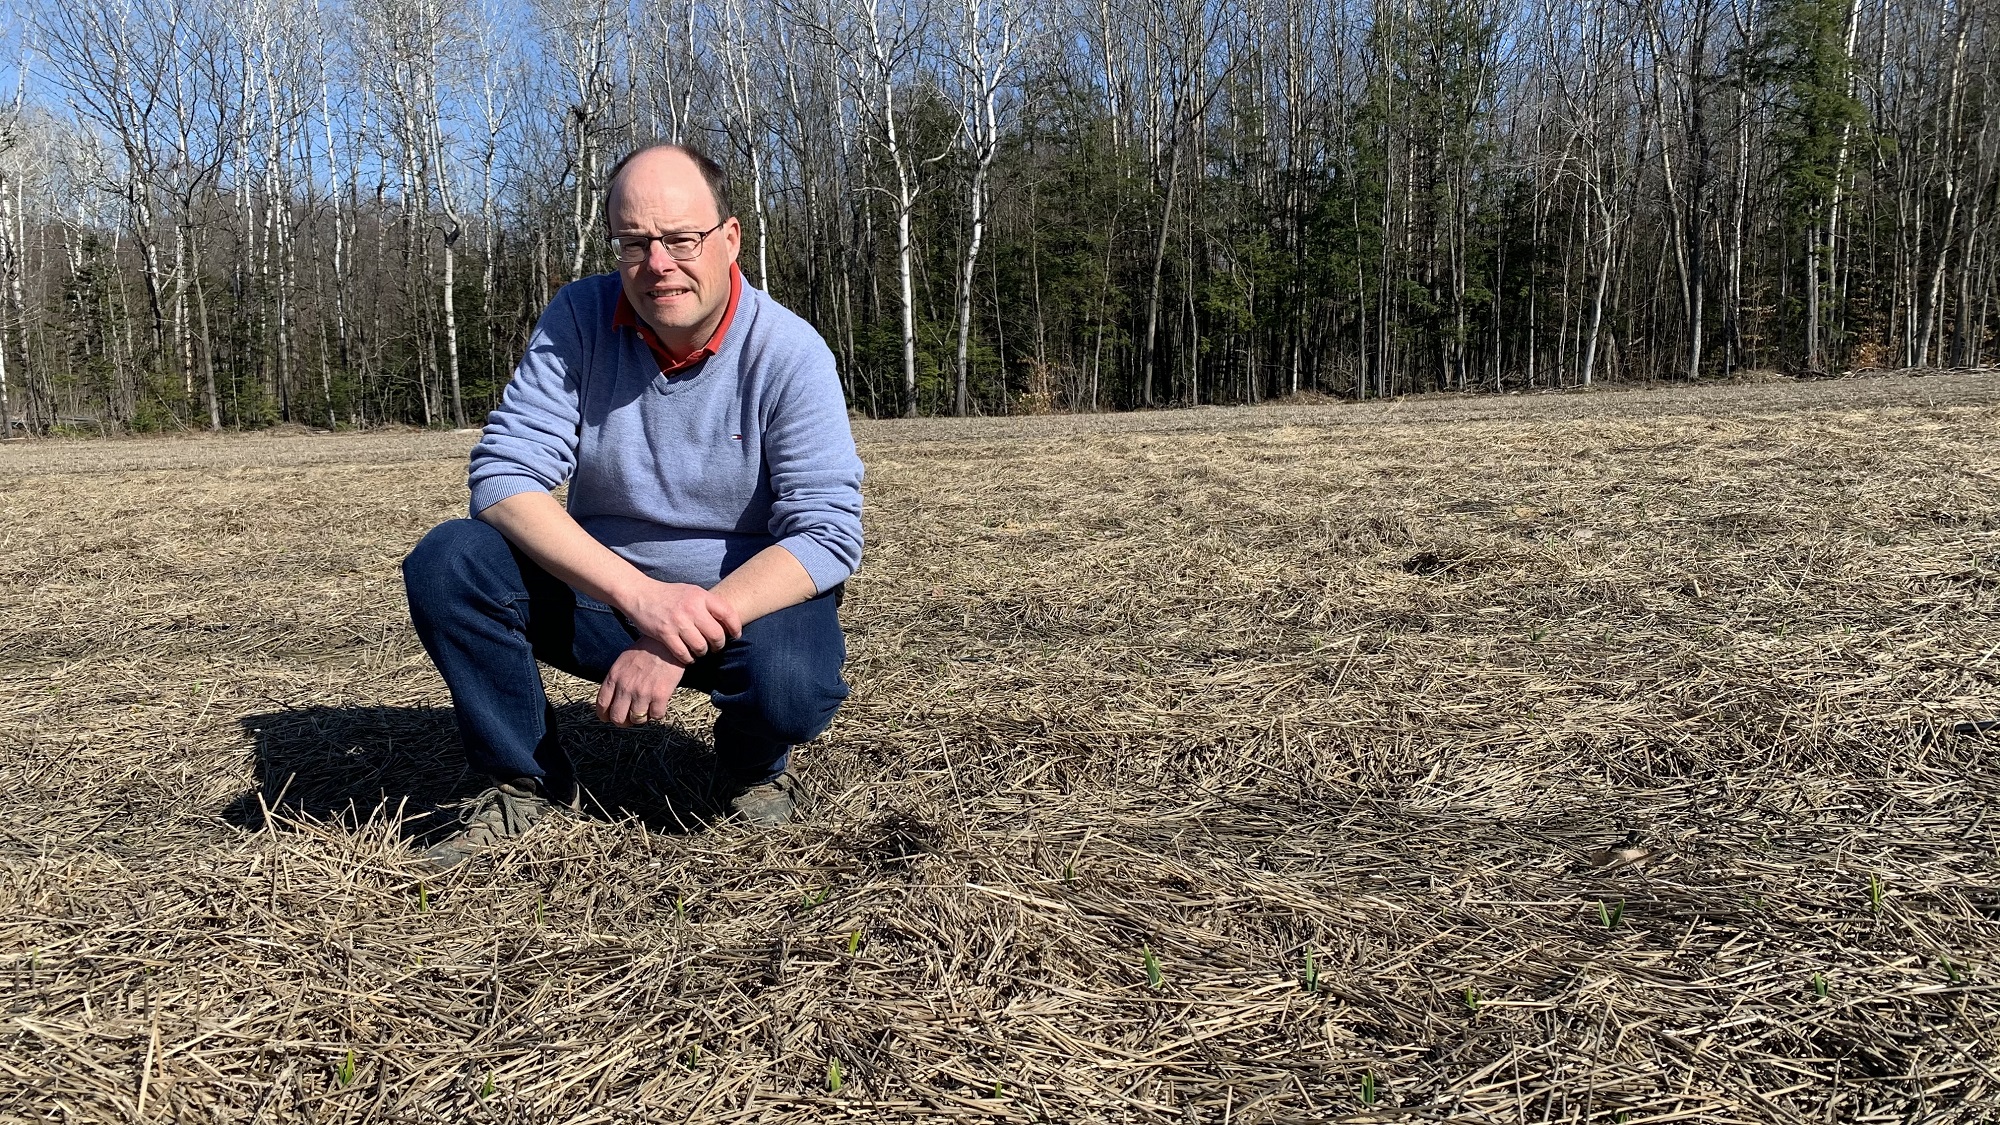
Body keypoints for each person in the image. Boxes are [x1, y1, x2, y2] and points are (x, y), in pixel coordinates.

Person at [401, 143, 863, 869]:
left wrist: (672, 637)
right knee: (449, 561)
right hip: (606, 596)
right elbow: (504, 476)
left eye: (682, 239)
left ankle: (750, 768)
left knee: (791, 684)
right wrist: (642, 600)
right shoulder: (579, 318)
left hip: (743, 605)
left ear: (730, 238)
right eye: (634, 242)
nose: (658, 263)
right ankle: (522, 779)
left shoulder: (789, 351)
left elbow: (828, 533)